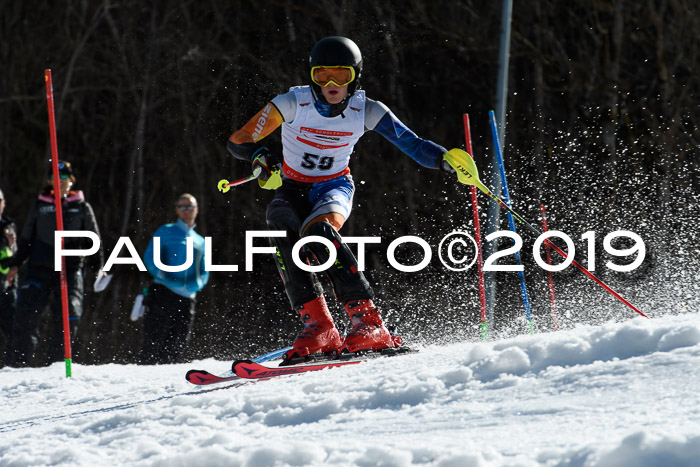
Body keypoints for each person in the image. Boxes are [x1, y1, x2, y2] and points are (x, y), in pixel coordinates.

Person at [226, 36, 460, 364]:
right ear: (312, 76)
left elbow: (414, 145)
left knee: (319, 234)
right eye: (323, 75)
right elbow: (240, 139)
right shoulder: (292, 103)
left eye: (342, 75)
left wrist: (447, 160)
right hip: (292, 187)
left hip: (334, 187)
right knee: (279, 222)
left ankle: (369, 323)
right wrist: (260, 155)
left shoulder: (367, 110)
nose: (332, 84)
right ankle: (319, 327)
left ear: (355, 77)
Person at [3, 161, 104, 367]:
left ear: (70, 180)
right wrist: (15, 264)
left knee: (68, 316)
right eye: (55, 177)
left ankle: (58, 364)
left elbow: (93, 239)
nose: (60, 181)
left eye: (64, 177)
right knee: (26, 315)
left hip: (69, 268)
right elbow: (27, 239)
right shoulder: (41, 205)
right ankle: (20, 365)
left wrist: (98, 266)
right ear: (49, 180)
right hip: (40, 266)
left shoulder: (81, 206)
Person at [140, 193, 209, 364]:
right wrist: (166, 277)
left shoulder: (200, 241)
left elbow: (204, 271)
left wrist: (195, 286)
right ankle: (142, 380)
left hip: (187, 299)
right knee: (153, 341)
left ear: (197, 209)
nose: (187, 210)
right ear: (177, 210)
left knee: (177, 345)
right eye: (183, 206)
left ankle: (166, 381)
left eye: (190, 206)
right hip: (163, 293)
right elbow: (150, 258)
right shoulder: (165, 231)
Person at [0, 189, 18, 351]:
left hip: (7, 285)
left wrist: (11, 244)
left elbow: (15, 254)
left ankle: (13, 366)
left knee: (13, 330)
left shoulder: (8, 225)